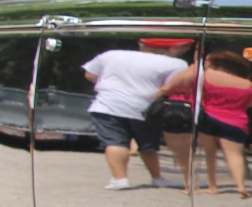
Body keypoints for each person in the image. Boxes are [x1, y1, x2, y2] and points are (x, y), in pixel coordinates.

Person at [81, 38, 190, 190]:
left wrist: (112, 85)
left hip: (108, 104)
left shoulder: (112, 54)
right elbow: (174, 86)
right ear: (171, 49)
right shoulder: (176, 64)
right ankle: (157, 178)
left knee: (115, 142)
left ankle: (120, 179)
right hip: (146, 108)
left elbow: (90, 74)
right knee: (148, 145)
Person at [158, 50, 252, 197]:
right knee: (234, 154)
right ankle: (240, 186)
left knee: (208, 154)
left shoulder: (206, 76)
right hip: (236, 122)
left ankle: (210, 186)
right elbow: (251, 104)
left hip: (209, 117)